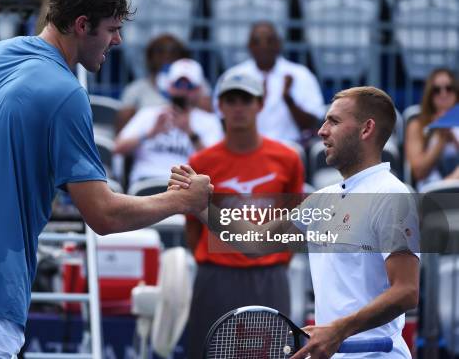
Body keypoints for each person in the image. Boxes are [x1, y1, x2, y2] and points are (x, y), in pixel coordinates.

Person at [0, 0, 212, 358]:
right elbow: (103, 215)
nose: (117, 40)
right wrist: (182, 201)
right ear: (82, 25)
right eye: (111, 29)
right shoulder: (67, 95)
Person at [171, 86, 420, 358]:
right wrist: (201, 206)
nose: (322, 130)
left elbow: (406, 291)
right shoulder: (323, 200)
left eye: (334, 121)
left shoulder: (391, 196)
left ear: (366, 129)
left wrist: (338, 330)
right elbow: (256, 242)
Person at [184, 73, 304, 359]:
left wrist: (271, 260)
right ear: (220, 107)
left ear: (260, 105)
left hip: (269, 276)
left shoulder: (288, 159)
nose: (238, 107)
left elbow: (293, 223)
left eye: (246, 100)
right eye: (231, 100)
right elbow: (193, 228)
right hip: (217, 275)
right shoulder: (201, 162)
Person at [115, 58, 223, 186]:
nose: (183, 91)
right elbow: (118, 148)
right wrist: (150, 133)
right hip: (146, 182)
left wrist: (191, 133)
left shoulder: (209, 121)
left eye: (189, 86)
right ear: (169, 86)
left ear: (199, 90)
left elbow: (216, 163)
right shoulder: (148, 114)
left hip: (186, 185)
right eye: (178, 84)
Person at [217, 21, 325, 144]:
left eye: (270, 41)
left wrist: (288, 99)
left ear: (279, 44)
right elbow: (223, 121)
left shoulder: (301, 75)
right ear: (249, 45)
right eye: (257, 41)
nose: (264, 46)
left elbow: (312, 124)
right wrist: (254, 102)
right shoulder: (233, 76)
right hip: (246, 147)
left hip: (290, 147)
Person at [116, 34, 213, 132]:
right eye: (160, 52)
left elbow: (209, 116)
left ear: (182, 56)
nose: (167, 57)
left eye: (173, 53)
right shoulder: (136, 89)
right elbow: (122, 130)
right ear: (150, 57)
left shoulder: (199, 84)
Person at [405, 67, 459, 190]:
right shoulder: (417, 125)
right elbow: (419, 172)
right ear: (429, 94)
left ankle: (447, 187)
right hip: (431, 191)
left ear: (456, 92)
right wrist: (441, 138)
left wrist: (453, 137)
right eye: (437, 90)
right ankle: (446, 188)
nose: (443, 94)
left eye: (449, 88)